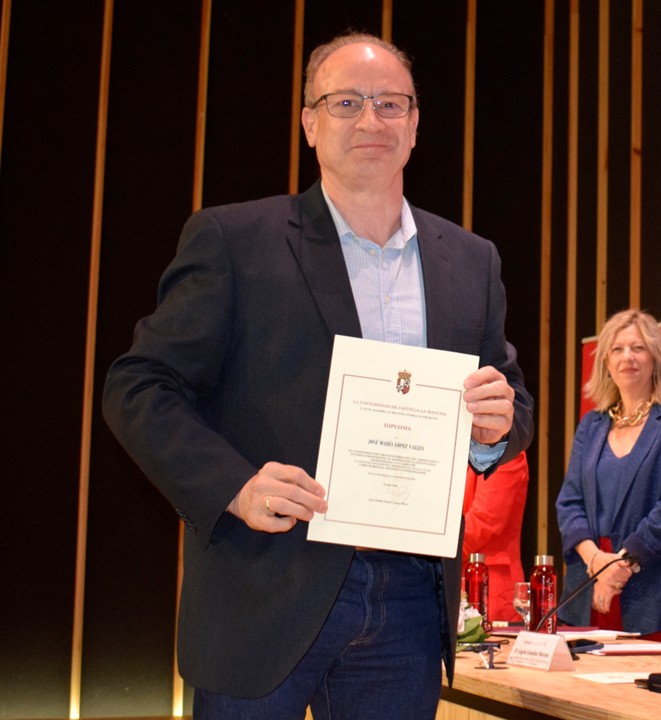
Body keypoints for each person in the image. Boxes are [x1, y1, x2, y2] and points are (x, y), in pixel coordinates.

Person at [101, 33, 533, 719]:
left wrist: (494, 428)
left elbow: (508, 399)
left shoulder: (471, 261)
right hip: (263, 592)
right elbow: (138, 385)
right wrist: (233, 486)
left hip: (409, 608)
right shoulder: (233, 240)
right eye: (346, 102)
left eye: (391, 104)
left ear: (416, 126)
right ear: (309, 122)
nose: (371, 120)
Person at [556, 309, 661, 638]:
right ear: (606, 362)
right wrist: (596, 561)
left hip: (660, 598)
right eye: (618, 349)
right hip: (590, 594)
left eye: (639, 348)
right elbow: (569, 503)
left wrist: (621, 564)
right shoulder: (590, 426)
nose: (628, 357)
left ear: (656, 358)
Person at [462, 451, 529, 623]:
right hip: (450, 584)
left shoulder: (505, 450)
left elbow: (485, 520)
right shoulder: (449, 444)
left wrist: (436, 551)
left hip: (490, 591)